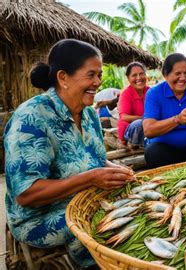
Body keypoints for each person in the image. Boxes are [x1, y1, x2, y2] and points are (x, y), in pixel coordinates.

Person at [3, 39, 134, 269]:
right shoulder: (32, 118)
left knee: (136, 204)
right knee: (107, 225)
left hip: (85, 197)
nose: (98, 82)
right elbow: (27, 194)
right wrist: (92, 178)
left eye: (99, 75)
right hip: (40, 217)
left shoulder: (89, 115)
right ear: (63, 78)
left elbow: (94, 160)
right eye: (91, 75)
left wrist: (116, 170)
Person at [117, 62, 149, 149]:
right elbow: (124, 117)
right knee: (138, 124)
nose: (139, 78)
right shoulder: (126, 94)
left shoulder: (151, 91)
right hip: (133, 128)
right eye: (134, 75)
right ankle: (130, 143)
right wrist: (144, 118)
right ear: (128, 78)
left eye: (141, 74)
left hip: (149, 125)